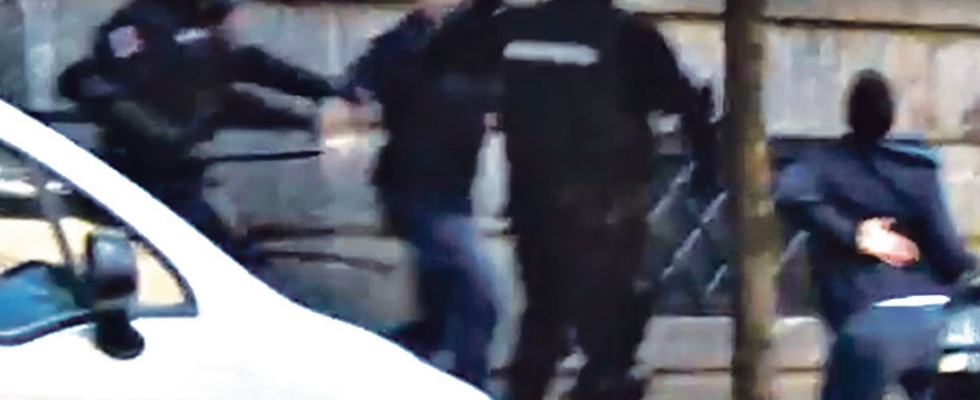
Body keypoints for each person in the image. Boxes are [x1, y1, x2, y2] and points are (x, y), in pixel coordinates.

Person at [422, 0, 716, 398]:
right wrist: (705, 162)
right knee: (611, 341)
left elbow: (441, 57)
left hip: (537, 207)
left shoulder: (514, 28)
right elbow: (686, 101)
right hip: (608, 211)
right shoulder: (627, 34)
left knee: (545, 321)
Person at [58, 0, 337, 267]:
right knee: (226, 260)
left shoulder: (190, 35)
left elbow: (241, 81)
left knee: (229, 254)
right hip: (145, 177)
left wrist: (315, 107)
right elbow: (230, 80)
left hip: (177, 174)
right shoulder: (149, 29)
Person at [317, 0, 501, 391]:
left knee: (443, 318)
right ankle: (467, 389)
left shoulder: (472, 35)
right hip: (417, 191)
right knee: (478, 305)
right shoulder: (401, 44)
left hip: (448, 191)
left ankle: (374, 374)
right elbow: (353, 92)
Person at [774, 70, 976, 400]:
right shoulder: (916, 169)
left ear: (849, 113)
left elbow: (788, 193)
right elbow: (950, 255)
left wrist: (855, 236)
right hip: (937, 317)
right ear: (890, 117)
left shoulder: (823, 165)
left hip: (868, 318)